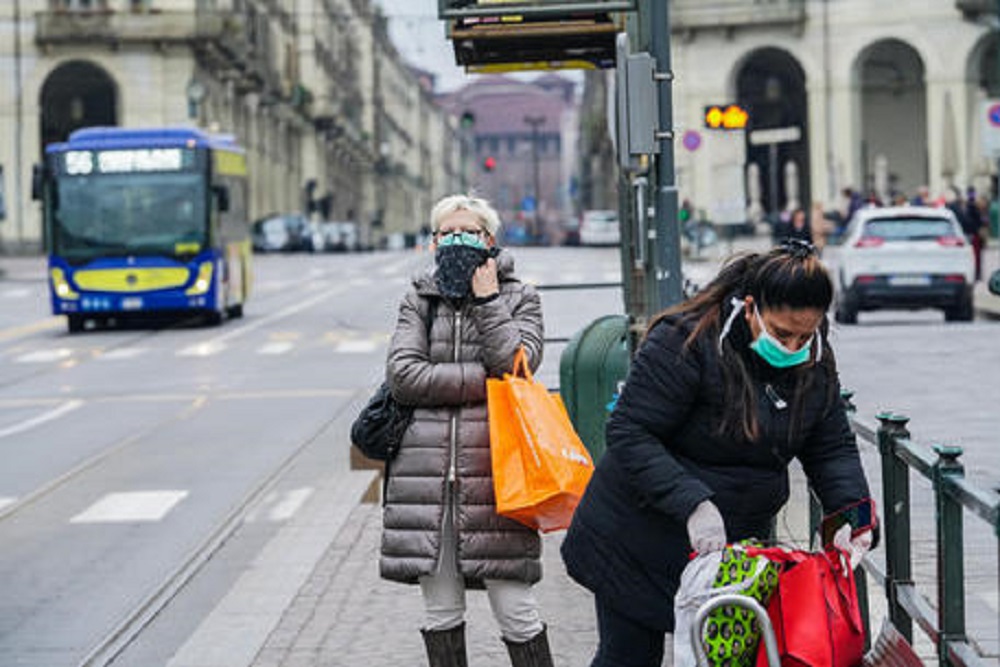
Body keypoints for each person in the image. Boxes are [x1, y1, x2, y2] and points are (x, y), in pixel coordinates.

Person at [561, 240, 876, 667]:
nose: (794, 345)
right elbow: (630, 430)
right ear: (750, 308)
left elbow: (831, 444)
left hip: (732, 544)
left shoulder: (813, 359)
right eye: (783, 333)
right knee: (629, 656)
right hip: (636, 534)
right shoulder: (687, 340)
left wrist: (851, 516)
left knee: (728, 655)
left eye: (807, 334)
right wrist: (692, 503)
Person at [381, 194, 552, 667]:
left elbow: (517, 364)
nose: (457, 241)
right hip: (428, 483)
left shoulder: (520, 296)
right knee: (441, 613)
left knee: (517, 610)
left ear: (490, 241)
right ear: (434, 242)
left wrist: (488, 301)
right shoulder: (418, 299)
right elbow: (404, 376)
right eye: (447, 233)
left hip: (498, 477)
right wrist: (486, 382)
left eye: (468, 232)